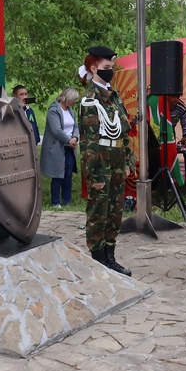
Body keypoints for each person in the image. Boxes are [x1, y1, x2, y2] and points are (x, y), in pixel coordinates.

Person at [78, 45, 134, 275]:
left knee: (115, 211)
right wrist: (95, 174)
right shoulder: (90, 101)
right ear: (93, 68)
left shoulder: (114, 96)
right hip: (101, 164)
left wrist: (128, 161)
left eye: (112, 67)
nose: (111, 71)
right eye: (106, 68)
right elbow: (89, 143)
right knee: (99, 212)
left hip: (117, 161)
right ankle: (98, 256)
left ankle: (111, 255)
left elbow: (123, 132)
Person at [41, 86, 80, 207]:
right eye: (74, 99)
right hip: (57, 146)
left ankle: (67, 200)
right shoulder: (54, 110)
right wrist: (69, 141)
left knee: (68, 174)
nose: (75, 102)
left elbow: (76, 126)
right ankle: (55, 202)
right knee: (58, 174)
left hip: (69, 147)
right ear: (67, 98)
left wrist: (75, 138)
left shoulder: (71, 110)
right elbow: (56, 130)